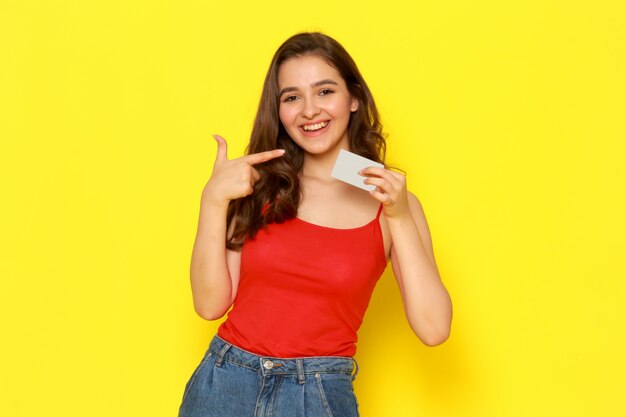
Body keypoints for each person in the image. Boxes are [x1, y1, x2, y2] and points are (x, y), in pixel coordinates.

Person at [178, 32, 452, 417]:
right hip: (226, 384)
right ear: (279, 110)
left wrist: (399, 216)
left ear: (354, 98)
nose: (309, 110)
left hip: (318, 395)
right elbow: (209, 305)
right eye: (292, 97)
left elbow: (434, 329)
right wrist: (212, 200)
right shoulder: (257, 185)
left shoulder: (392, 205)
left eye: (325, 92)